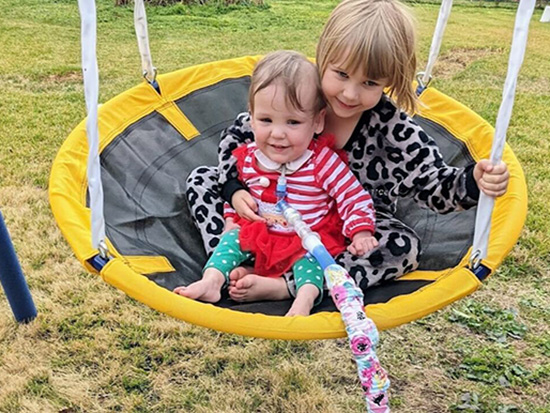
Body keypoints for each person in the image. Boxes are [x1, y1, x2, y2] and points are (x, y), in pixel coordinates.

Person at [185, 0, 510, 306]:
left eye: (370, 83)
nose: (350, 93)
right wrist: (234, 188)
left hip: (348, 225)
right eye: (341, 74)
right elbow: (238, 137)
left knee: (401, 246)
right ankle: (227, 267)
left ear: (389, 81)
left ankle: (290, 285)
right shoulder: (300, 91)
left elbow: (432, 184)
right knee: (203, 179)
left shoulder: (390, 128)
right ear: (323, 58)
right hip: (264, 209)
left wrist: (473, 181)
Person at [175, 50, 379, 316]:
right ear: (251, 117)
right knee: (231, 240)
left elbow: (353, 196)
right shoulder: (249, 157)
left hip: (303, 236)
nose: (278, 134)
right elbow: (241, 197)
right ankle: (212, 281)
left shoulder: (322, 162)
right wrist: (230, 218)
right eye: (266, 120)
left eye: (293, 122)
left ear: (317, 122)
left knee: (314, 260)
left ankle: (302, 300)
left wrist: (361, 231)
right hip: (259, 231)